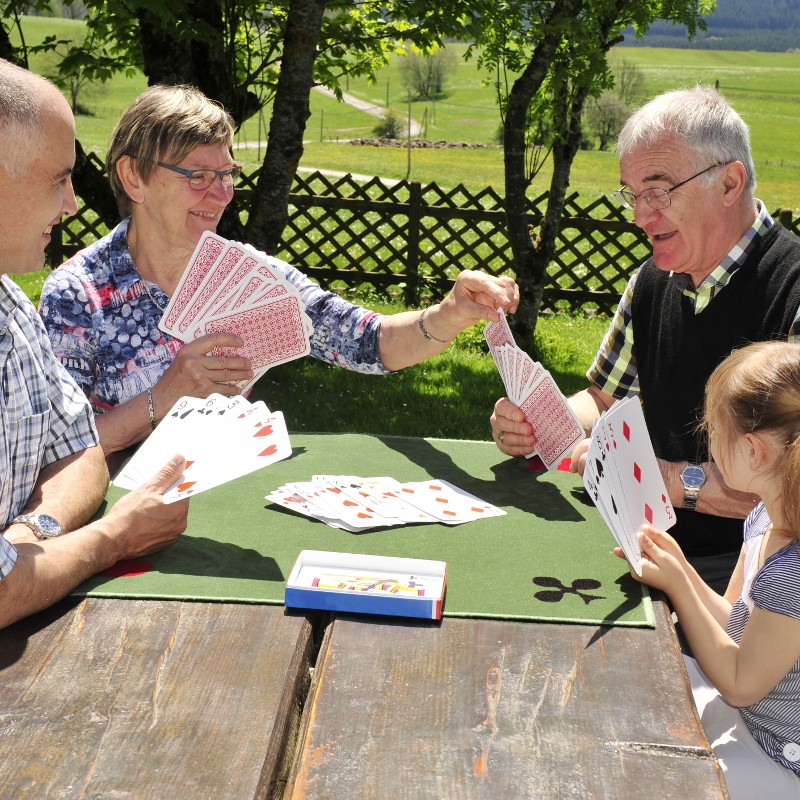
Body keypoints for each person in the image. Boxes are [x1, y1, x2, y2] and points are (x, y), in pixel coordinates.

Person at [39, 84, 519, 458]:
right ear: (132, 177)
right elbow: (59, 449)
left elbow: (366, 340)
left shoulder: (248, 277)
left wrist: (450, 313)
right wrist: (162, 397)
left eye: (227, 174)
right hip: (120, 522)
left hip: (231, 506)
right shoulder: (78, 294)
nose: (222, 194)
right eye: (198, 176)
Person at [490, 86, 800, 591]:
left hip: (757, 579)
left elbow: (794, 486)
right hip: (640, 543)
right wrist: (538, 422)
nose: (639, 216)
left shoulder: (792, 288)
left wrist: (675, 482)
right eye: (632, 195)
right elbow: (604, 400)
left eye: (658, 191)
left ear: (729, 182)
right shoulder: (652, 281)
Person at [0, 59, 188, 630]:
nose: (73, 203)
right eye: (59, 177)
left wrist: (32, 534)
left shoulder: (9, 304)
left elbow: (79, 449)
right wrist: (113, 537)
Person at [620, 341, 800, 799]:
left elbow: (740, 683)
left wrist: (679, 586)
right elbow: (735, 626)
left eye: (713, 429)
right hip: (746, 716)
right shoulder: (763, 516)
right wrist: (679, 563)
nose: (707, 439)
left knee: (656, 784)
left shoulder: (791, 574)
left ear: (754, 451)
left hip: (779, 755)